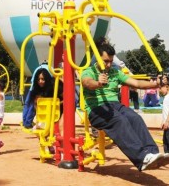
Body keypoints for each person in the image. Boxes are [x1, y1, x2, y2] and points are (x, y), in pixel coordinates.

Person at [81, 38, 169, 171]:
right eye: (105, 61)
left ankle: (153, 153)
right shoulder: (89, 72)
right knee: (119, 120)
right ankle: (142, 158)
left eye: (111, 61)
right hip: (96, 109)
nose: (109, 65)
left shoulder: (115, 72)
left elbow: (137, 84)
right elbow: (87, 82)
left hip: (114, 106)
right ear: (98, 58)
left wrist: (156, 84)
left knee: (135, 118)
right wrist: (98, 83)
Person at [22, 64, 63, 129]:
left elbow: (64, 97)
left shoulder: (55, 86)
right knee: (38, 128)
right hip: (45, 114)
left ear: (47, 78)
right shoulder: (37, 89)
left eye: (42, 79)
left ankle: (28, 123)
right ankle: (27, 123)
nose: (40, 81)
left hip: (57, 112)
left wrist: (57, 103)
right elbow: (35, 106)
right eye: (38, 80)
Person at [160, 85, 169, 153]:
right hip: (166, 124)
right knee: (165, 142)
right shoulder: (166, 97)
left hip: (168, 123)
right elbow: (165, 111)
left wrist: (167, 121)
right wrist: (163, 121)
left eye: (161, 88)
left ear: (167, 87)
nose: (160, 90)